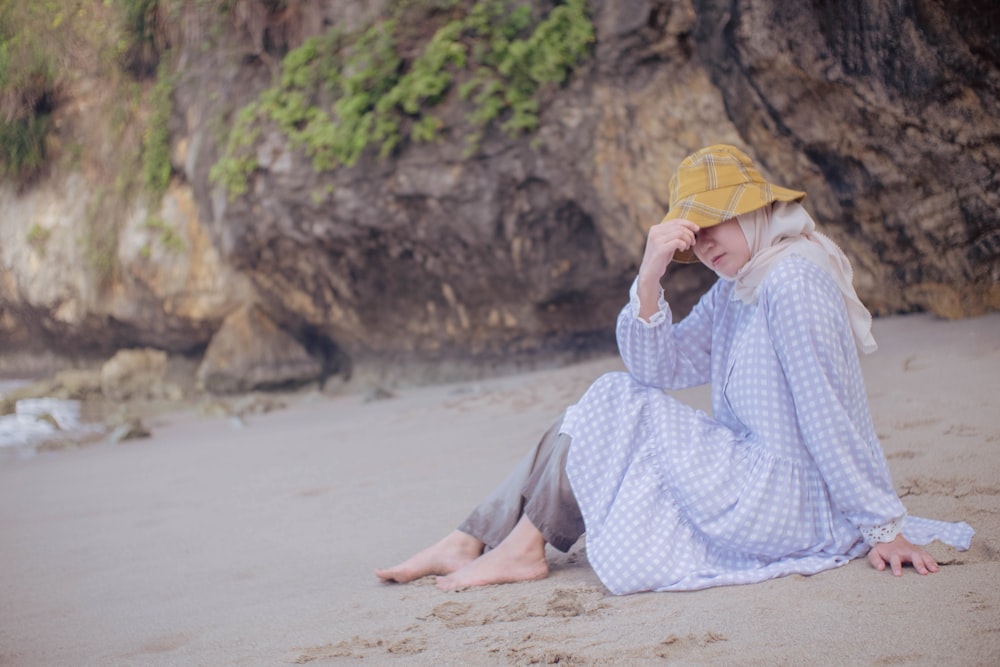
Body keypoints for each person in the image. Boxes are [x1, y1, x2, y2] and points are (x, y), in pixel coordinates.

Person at [375, 144, 974, 594]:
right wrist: (650, 277)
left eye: (717, 221)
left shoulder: (792, 280)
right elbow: (660, 368)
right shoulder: (743, 283)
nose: (707, 244)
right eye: (696, 234)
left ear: (755, 210)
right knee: (603, 406)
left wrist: (880, 526)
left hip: (787, 499)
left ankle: (516, 546)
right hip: (754, 477)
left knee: (613, 399)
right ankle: (473, 538)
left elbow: (828, 411)